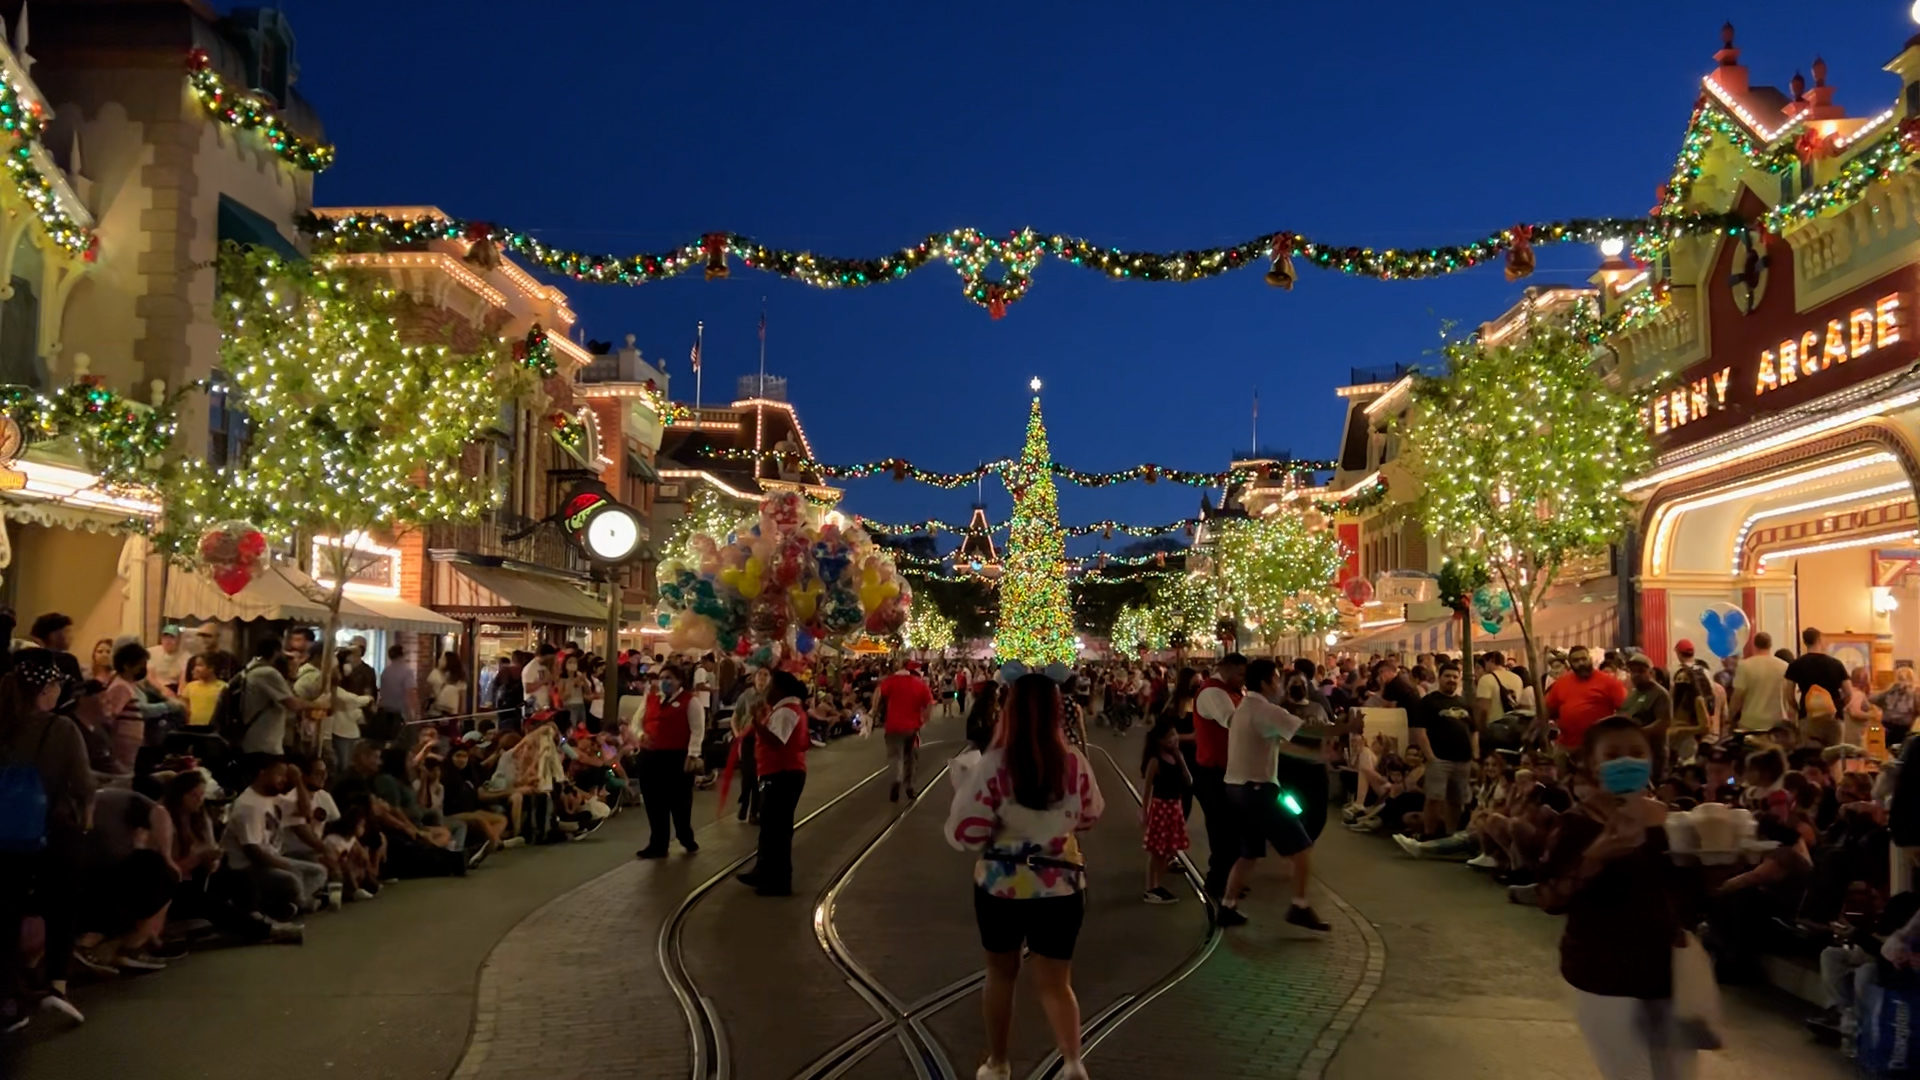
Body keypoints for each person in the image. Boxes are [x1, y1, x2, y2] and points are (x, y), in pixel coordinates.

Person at [946, 672, 1103, 1080]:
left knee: (1001, 974)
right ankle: (1072, 1062)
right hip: (1061, 885)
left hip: (1000, 885)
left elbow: (968, 831)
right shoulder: (1073, 762)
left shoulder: (993, 764)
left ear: (1008, 710)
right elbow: (1090, 814)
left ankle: (998, 1063)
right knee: (1057, 983)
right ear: (1056, 711)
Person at [1535, 715, 1697, 1080]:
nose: (1627, 761)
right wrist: (1595, 857)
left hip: (1666, 973)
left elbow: (1684, 891)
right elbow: (1548, 898)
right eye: (1614, 754)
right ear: (1591, 763)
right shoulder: (1576, 824)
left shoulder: (1667, 820)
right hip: (1603, 973)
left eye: (1636, 752)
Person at [0, 659, 94, 1030]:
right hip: (52, 832)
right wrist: (86, 822)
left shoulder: (4, 724)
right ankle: (56, 983)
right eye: (56, 685)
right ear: (45, 690)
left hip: (5, 838)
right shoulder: (62, 729)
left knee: (5, 915)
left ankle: (6, 998)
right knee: (62, 904)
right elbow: (84, 786)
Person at [1216, 659, 1331, 932]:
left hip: (1236, 789)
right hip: (1259, 791)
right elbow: (1307, 729)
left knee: (1249, 853)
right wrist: (1348, 727)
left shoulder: (1244, 707)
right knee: (1302, 848)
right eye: (1277, 679)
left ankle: (1227, 906)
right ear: (1267, 682)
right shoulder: (1266, 710)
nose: (1280, 684)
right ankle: (1299, 906)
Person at [224, 759, 329, 921]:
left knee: (319, 872)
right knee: (292, 879)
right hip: (251, 869)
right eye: (279, 775)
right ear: (262, 773)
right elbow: (253, 851)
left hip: (274, 858)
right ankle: (291, 904)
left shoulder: (273, 799)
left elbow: (306, 812)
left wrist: (298, 781)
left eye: (286, 777)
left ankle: (288, 904)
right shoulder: (249, 805)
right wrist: (285, 866)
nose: (284, 780)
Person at [739, 670, 810, 897]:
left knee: (777, 829)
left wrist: (757, 724)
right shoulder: (784, 710)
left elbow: (778, 741)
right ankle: (764, 870)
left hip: (782, 774)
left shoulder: (786, 712)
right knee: (771, 827)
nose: (766, 690)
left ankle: (779, 879)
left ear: (780, 689)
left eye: (770, 685)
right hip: (778, 773)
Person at [1191, 653, 1247, 903]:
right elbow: (1234, 722)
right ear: (1226, 669)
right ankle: (1217, 882)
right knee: (1222, 827)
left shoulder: (1230, 691)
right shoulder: (1213, 693)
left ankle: (1228, 879)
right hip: (1214, 771)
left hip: (1228, 769)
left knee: (1232, 827)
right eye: (1240, 674)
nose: (1242, 680)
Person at [634, 661, 704, 859]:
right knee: (654, 802)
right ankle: (658, 843)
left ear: (679, 681)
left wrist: (693, 754)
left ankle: (684, 835)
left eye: (669, 678)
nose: (664, 682)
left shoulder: (690, 701)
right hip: (651, 756)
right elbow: (636, 722)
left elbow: (697, 730)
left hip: (677, 758)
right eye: (662, 678)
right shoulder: (651, 698)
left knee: (680, 802)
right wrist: (641, 736)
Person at [1400, 660, 1476, 843]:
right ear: (1440, 678)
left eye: (1455, 677)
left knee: (1456, 800)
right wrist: (1430, 756)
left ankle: (1450, 835)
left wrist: (1475, 755)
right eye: (1447, 676)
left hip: (1463, 760)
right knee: (1434, 798)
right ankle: (1429, 834)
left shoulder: (1464, 702)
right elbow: (1420, 731)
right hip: (1439, 758)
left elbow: (1474, 731)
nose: (1451, 680)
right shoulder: (1429, 701)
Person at [1140, 716, 1191, 904]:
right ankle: (1150, 888)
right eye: (1168, 737)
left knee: (1167, 851)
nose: (1173, 739)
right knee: (1157, 852)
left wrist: (1180, 757)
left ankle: (1156, 886)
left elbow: (1188, 781)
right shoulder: (1155, 761)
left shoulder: (1177, 756)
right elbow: (1147, 790)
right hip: (1161, 807)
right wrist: (1144, 811)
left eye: (1174, 734)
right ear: (1159, 740)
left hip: (1174, 807)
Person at [1541, 645, 1627, 754]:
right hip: (1567, 747)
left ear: (1590, 659)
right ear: (1570, 664)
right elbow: (1546, 712)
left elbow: (1625, 710)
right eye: (1576, 660)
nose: (1581, 663)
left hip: (1599, 748)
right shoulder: (1560, 684)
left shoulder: (1609, 682)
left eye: (1584, 659)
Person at [874, 659, 935, 802]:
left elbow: (878, 692)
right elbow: (930, 703)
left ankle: (897, 779)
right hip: (912, 728)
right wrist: (924, 719)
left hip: (893, 727)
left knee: (895, 757)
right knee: (911, 758)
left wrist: (873, 711)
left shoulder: (891, 681)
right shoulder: (919, 684)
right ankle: (910, 786)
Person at [1622, 653, 1674, 779]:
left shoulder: (1660, 694)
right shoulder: (1633, 693)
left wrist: (1638, 733)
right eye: (1633, 671)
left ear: (1650, 672)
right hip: (1633, 752)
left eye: (1641, 671)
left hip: (1653, 752)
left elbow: (1663, 723)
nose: (1636, 675)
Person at [1730, 631, 1792, 733]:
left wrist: (1730, 718)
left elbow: (1737, 697)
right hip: (1777, 723)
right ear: (1770, 645)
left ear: (1754, 645)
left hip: (1751, 723)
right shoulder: (1784, 667)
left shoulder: (1745, 666)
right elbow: (1790, 696)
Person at [1475, 650, 1523, 729]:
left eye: (1485, 662)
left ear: (1491, 661)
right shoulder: (1517, 678)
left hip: (1494, 727)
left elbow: (1483, 709)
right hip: (1513, 726)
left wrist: (1480, 729)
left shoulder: (1486, 679)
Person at [180, 654, 224, 730]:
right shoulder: (190, 687)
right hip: (193, 730)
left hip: (214, 731)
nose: (195, 669)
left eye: (200, 665)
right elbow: (184, 710)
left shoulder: (223, 688)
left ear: (211, 668)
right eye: (195, 666)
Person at [379, 643, 418, 730]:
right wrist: (412, 711)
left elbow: (382, 691)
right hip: (401, 711)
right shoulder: (407, 671)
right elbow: (410, 692)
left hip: (386, 710)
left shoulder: (386, 671)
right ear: (402, 655)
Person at [146, 626, 188, 693]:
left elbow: (183, 681)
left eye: (172, 637)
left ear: (179, 640)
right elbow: (150, 677)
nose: (168, 641)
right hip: (154, 687)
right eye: (165, 637)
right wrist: (164, 690)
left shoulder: (186, 656)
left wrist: (179, 696)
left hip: (173, 687)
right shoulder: (152, 652)